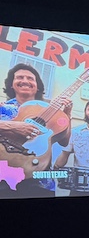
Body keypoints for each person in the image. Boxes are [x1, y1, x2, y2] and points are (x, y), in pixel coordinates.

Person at [0, 63, 73, 197]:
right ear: (11, 84)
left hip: (41, 179)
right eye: (19, 77)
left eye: (30, 78)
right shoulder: (2, 107)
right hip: (4, 176)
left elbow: (64, 141)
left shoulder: (49, 110)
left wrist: (67, 115)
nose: (25, 81)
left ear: (37, 86)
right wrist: (14, 126)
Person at [54, 99, 89, 194]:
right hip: (78, 185)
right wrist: (56, 167)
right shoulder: (75, 132)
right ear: (85, 112)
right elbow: (65, 154)